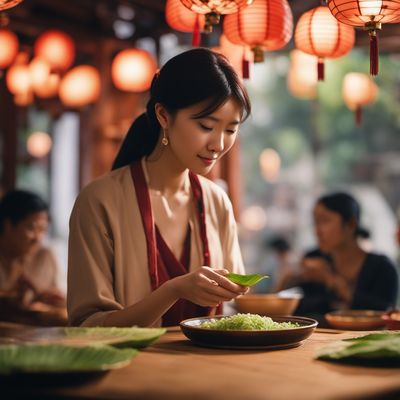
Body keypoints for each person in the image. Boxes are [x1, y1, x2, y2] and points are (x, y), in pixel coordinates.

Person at [68, 48, 252, 328]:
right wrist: (172, 291)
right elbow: (87, 326)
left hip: (212, 369)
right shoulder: (99, 200)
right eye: (206, 125)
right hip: (127, 370)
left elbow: (234, 309)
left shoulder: (217, 201)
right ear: (164, 116)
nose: (218, 144)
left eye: (230, 130)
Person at [295, 192, 398, 319]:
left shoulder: (382, 267)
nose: (317, 231)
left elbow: (385, 313)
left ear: (351, 225)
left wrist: (331, 280)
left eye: (324, 221)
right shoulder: (313, 259)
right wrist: (289, 277)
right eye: (315, 222)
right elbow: (298, 311)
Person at [0, 190, 65, 309]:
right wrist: (13, 298)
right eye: (31, 228)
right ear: (8, 225)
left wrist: (51, 298)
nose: (38, 238)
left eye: (43, 230)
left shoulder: (45, 256)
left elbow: (61, 301)